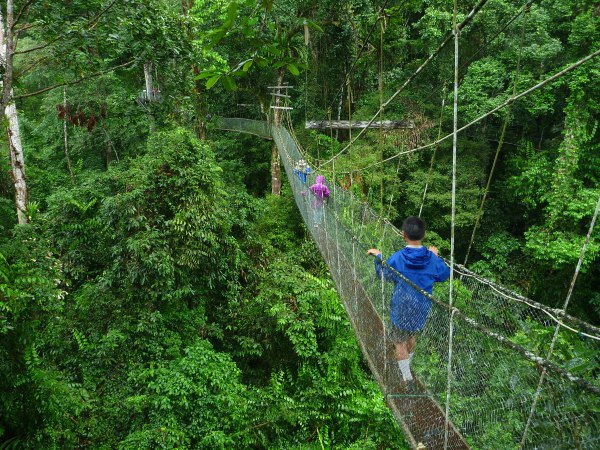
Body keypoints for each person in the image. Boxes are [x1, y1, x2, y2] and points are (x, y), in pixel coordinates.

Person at [366, 216, 450, 382]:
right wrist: (435, 257)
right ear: (423, 235)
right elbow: (443, 275)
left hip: (401, 306)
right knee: (412, 335)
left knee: (399, 342)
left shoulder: (398, 258)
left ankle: (406, 377)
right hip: (422, 307)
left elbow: (384, 275)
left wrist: (379, 256)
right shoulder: (431, 259)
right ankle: (407, 366)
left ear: (403, 234)